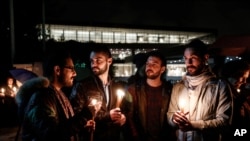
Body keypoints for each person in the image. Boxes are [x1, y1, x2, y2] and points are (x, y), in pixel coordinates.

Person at [15, 49, 95, 141]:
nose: (75, 73)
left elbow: (63, 125)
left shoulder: (58, 93)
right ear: (57, 70)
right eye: (71, 68)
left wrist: (83, 125)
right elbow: (52, 134)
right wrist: (85, 115)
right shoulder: (41, 98)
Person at [167, 39, 232, 141]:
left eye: (193, 58)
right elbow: (170, 114)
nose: (188, 63)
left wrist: (193, 125)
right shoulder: (178, 87)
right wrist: (174, 119)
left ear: (205, 58)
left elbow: (224, 121)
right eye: (186, 58)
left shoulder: (220, 86)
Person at [70, 43, 127, 141]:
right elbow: (75, 116)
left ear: (109, 61)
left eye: (98, 60)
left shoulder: (116, 86)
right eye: (92, 61)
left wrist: (123, 117)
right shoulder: (82, 86)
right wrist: (107, 116)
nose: (94, 64)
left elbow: (124, 109)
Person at [126, 50, 175, 141]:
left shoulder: (170, 91)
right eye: (148, 64)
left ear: (162, 69)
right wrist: (135, 136)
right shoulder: (134, 90)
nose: (149, 67)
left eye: (154, 64)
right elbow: (129, 117)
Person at [219, 59, 250, 140]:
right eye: (242, 77)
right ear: (234, 74)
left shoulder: (236, 92)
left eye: (246, 78)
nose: (244, 81)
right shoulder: (225, 93)